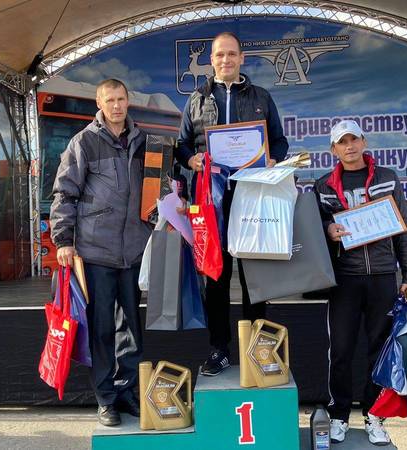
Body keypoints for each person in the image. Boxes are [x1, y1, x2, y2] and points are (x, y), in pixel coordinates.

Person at [175, 31, 289, 376]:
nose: (226, 60)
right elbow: (180, 146)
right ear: (212, 60)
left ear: (242, 59)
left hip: (251, 196)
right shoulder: (196, 99)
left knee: (255, 275)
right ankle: (219, 349)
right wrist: (191, 161)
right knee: (217, 277)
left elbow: (280, 142)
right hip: (211, 202)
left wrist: (271, 159)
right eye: (220, 55)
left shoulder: (261, 96)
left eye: (232, 54)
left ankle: (258, 348)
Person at [50, 79, 152, 427]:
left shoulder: (144, 141)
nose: (117, 106)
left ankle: (128, 392)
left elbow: (160, 188)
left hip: (134, 252)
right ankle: (106, 398)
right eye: (110, 100)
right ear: (99, 102)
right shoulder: (85, 142)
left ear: (129, 100)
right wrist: (63, 241)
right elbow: (65, 193)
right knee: (103, 328)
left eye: (121, 99)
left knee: (132, 330)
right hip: (96, 252)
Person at [313, 120, 407, 446]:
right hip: (344, 279)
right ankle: (339, 416)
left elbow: (402, 229)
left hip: (383, 278)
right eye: (341, 142)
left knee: (380, 351)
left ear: (364, 141)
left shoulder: (388, 178)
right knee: (341, 351)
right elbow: (315, 231)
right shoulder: (322, 186)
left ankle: (375, 415)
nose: (349, 146)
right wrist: (329, 231)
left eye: (353, 139)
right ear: (333, 149)